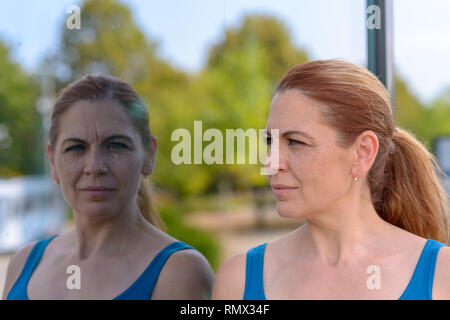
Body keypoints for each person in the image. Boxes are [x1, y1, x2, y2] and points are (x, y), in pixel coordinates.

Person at [212, 59, 450, 300]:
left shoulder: (443, 276)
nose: (271, 163)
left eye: (295, 142)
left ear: (362, 152)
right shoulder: (237, 281)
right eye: (270, 142)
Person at [2, 74, 214, 300]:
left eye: (116, 145)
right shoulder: (23, 263)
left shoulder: (180, 272)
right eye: (76, 148)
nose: (94, 166)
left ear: (149, 155)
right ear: (53, 161)